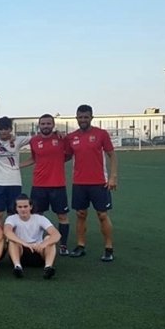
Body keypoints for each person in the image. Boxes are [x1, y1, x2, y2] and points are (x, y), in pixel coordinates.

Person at [65, 104, 119, 261]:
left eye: (86, 117)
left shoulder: (101, 134)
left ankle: (108, 248)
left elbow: (112, 155)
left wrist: (113, 177)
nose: (83, 120)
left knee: (102, 215)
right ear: (76, 118)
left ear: (91, 118)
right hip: (79, 183)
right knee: (80, 214)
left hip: (99, 182)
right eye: (80, 117)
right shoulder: (71, 137)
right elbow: (66, 156)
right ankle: (80, 245)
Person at [22, 114, 71, 256]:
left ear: (53, 125)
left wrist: (57, 161)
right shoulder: (34, 140)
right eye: (43, 124)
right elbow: (34, 158)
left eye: (48, 123)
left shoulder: (61, 139)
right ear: (39, 125)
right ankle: (36, 242)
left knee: (62, 216)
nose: (46, 126)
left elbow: (68, 155)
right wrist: (18, 166)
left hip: (58, 184)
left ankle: (63, 245)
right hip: (39, 185)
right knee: (36, 215)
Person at [0, 116, 32, 226]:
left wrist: (56, 132)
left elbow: (37, 138)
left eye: (6, 129)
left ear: (10, 129)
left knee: (12, 213)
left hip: (14, 182)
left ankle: (10, 235)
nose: (3, 131)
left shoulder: (18, 140)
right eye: (1, 129)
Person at [4, 194, 60, 279]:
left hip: (38, 251)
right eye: (20, 207)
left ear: (31, 207)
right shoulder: (11, 218)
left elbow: (56, 234)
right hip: (20, 252)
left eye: (25, 206)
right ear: (16, 208)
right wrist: (25, 243)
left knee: (49, 238)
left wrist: (43, 244)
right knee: (12, 241)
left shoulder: (40, 218)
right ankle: (17, 267)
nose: (23, 209)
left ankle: (48, 267)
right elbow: (7, 232)